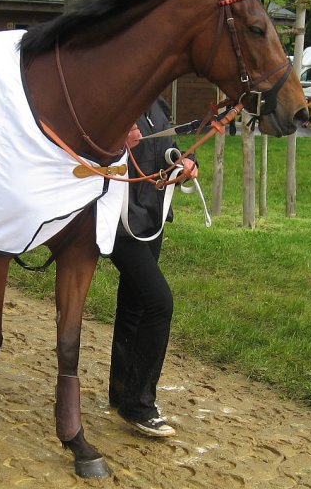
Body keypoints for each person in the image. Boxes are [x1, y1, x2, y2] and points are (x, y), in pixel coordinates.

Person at [109, 96, 197, 437]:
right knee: (160, 303)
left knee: (133, 305)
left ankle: (121, 393)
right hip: (118, 223)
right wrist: (117, 146)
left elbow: (170, 148)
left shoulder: (158, 106)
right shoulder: (117, 101)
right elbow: (88, 155)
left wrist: (186, 164)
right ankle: (140, 405)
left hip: (151, 219)